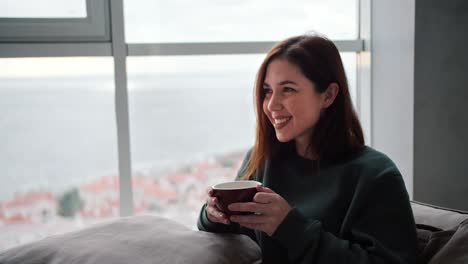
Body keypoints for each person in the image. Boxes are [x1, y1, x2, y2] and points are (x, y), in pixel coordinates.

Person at [197, 34, 417, 264]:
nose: (271, 105)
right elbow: (235, 237)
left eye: (288, 90)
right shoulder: (262, 159)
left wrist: (290, 227)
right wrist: (213, 215)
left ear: (329, 95)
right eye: (267, 91)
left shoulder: (375, 175)